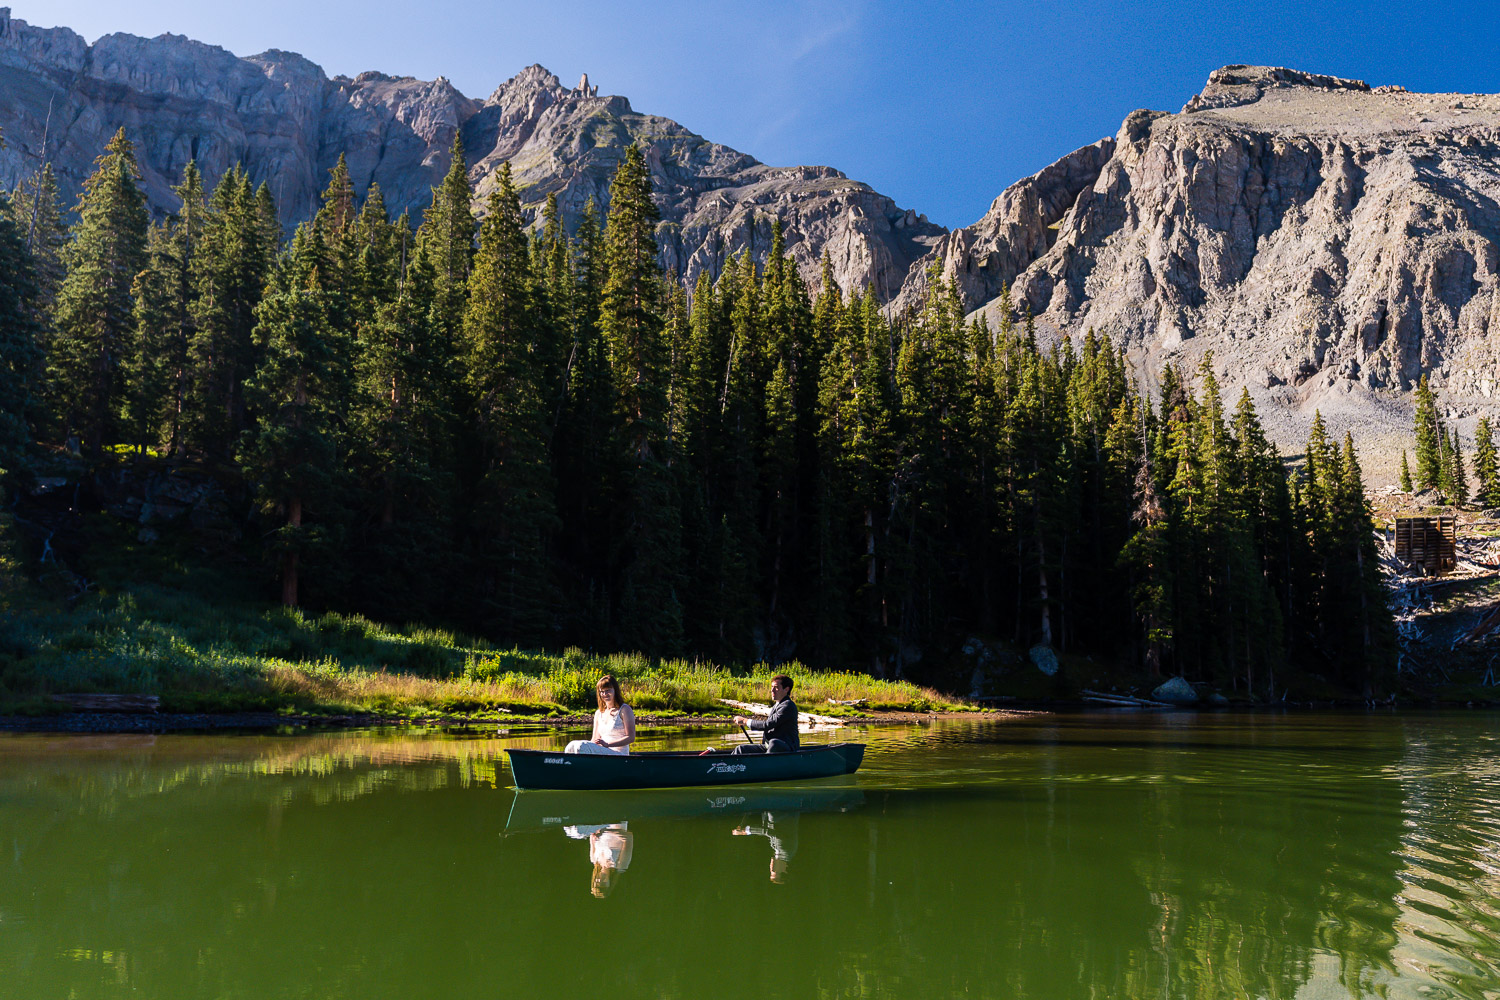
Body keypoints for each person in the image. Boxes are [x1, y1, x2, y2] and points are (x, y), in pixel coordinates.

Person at [564, 675, 636, 755]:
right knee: (571, 745)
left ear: (615, 690)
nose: (605, 694)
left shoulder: (625, 709)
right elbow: (594, 739)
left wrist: (608, 744)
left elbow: (631, 737)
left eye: (608, 690)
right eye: (602, 691)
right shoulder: (598, 713)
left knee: (581, 746)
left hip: (619, 754)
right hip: (603, 752)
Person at [731, 674, 799, 754]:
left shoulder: (788, 705)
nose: (772, 690)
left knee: (774, 743)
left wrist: (745, 721)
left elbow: (768, 724)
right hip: (770, 746)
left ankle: (765, 760)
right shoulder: (777, 705)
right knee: (741, 749)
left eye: (776, 687)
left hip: (787, 747)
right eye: (772, 687)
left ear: (786, 689)